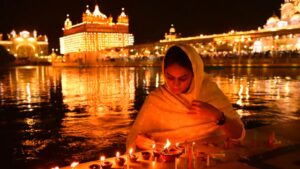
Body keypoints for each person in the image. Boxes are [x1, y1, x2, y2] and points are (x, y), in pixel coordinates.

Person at [126, 44, 245, 150]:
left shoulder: (209, 92)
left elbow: (238, 134)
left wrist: (217, 115)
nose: (175, 84)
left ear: (194, 74)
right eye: (170, 77)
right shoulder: (156, 99)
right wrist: (140, 142)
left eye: (183, 78)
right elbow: (134, 138)